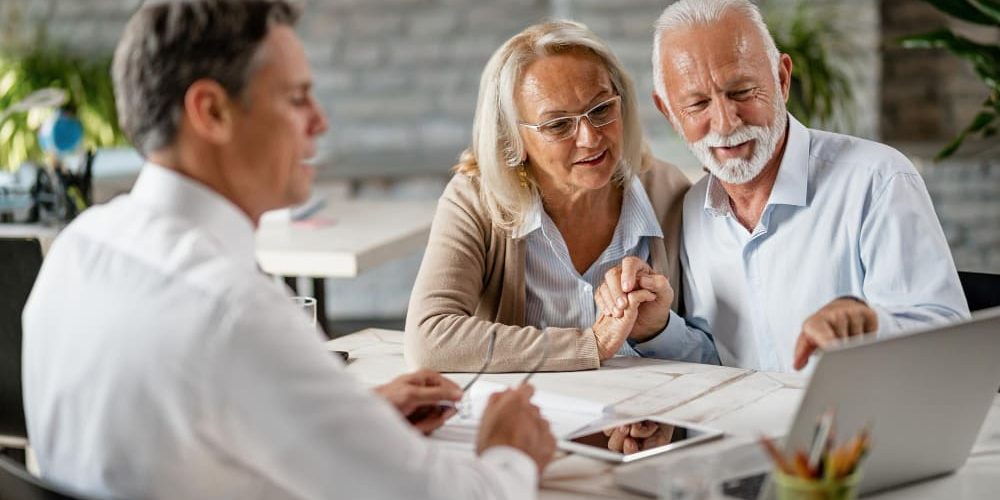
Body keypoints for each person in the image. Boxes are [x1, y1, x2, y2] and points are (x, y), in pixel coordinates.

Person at [21, 2, 554, 499]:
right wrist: (510, 450)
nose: (319, 122)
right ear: (211, 111)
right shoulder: (233, 311)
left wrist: (345, 418)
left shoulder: (77, 249)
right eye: (297, 98)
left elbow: (171, 438)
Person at [597, 0, 970, 373]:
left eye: (742, 92)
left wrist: (870, 326)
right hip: (743, 430)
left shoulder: (877, 180)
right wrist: (656, 329)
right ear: (668, 112)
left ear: (782, 79)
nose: (725, 123)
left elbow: (952, 347)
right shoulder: (694, 208)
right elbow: (719, 364)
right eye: (697, 104)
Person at [404, 21, 719, 373]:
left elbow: (714, 355)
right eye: (557, 125)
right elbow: (429, 339)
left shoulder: (669, 191)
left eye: (601, 110)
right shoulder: (476, 200)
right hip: (527, 423)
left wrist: (658, 330)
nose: (589, 138)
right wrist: (592, 345)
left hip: (644, 419)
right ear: (513, 140)